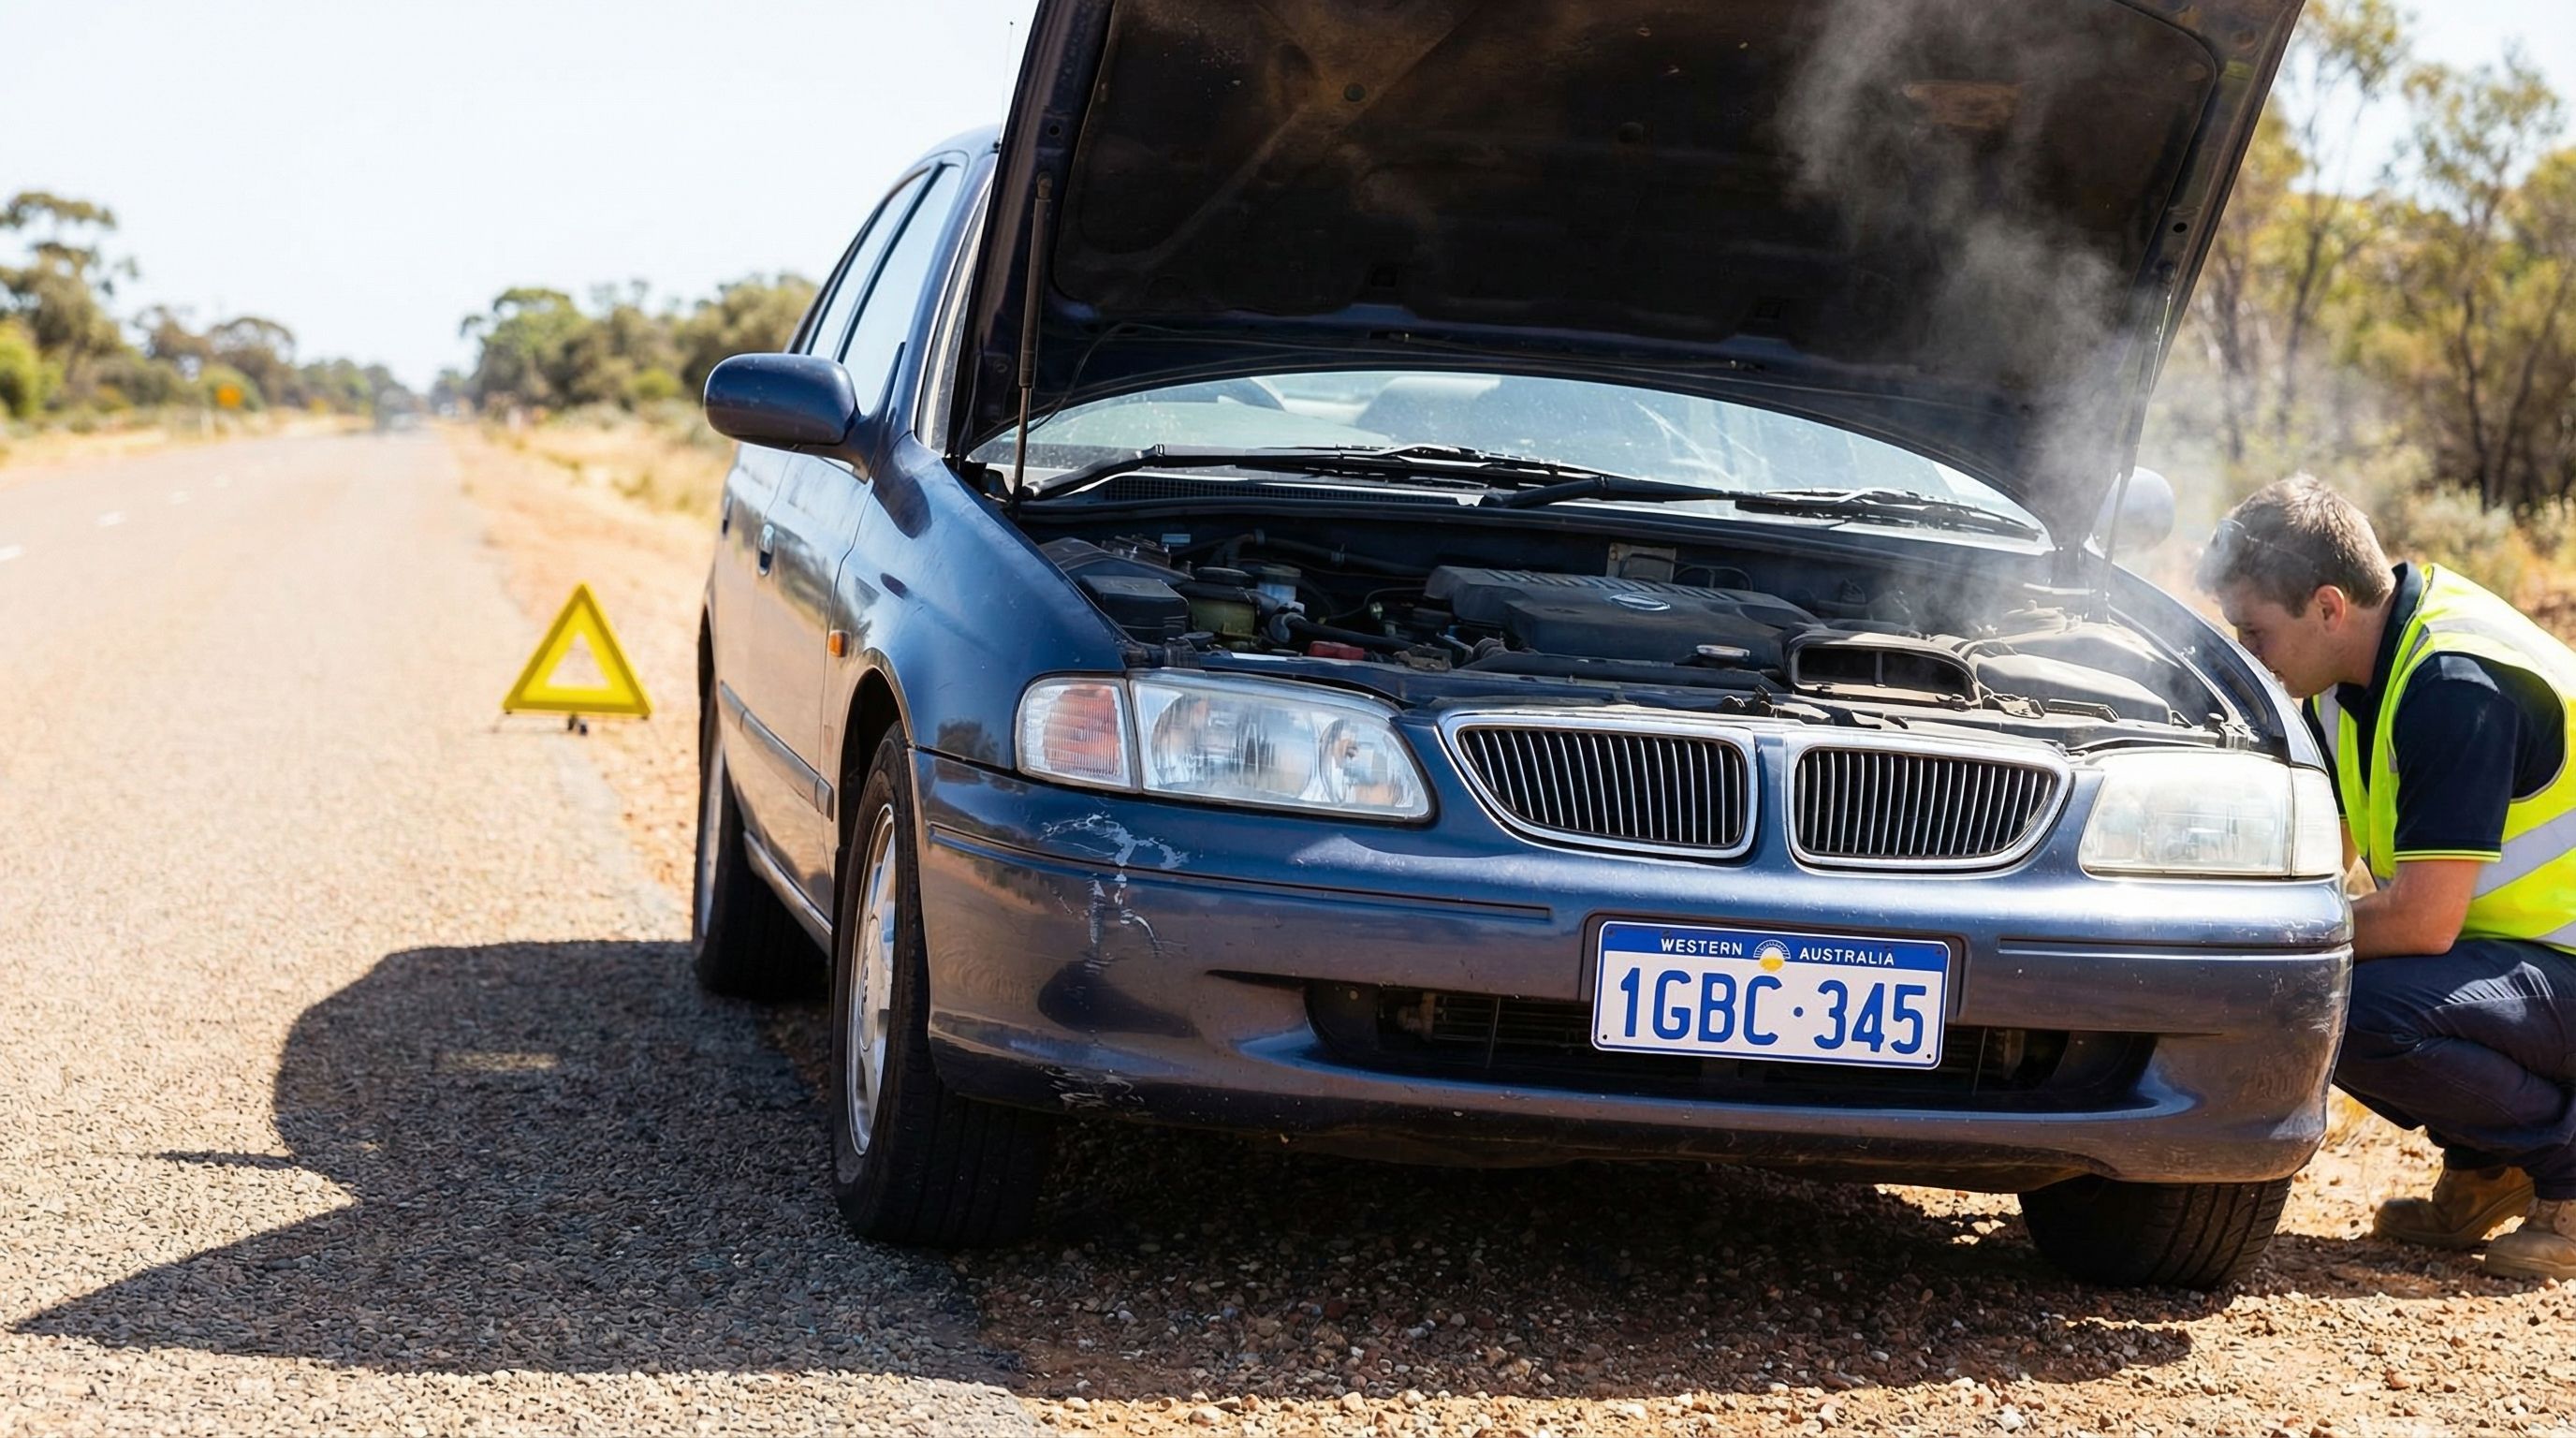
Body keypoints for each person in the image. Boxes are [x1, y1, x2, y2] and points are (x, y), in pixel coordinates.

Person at [2199, 476, 2576, 1280]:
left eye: (2255, 633)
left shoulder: (2453, 685)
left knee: (2343, 1004)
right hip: (2529, 967)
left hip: (2557, 970)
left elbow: (2421, 923)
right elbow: (2319, 867)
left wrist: (2258, 946)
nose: (2252, 658)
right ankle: (2488, 1167)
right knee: (2321, 983)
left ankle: (2567, 1169)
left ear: (2328, 607)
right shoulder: (2343, 684)